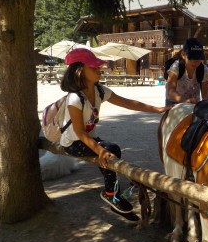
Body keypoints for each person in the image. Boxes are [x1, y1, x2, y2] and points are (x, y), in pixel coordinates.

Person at [60, 48, 170, 223]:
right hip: (72, 142)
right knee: (109, 149)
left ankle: (114, 193)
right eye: (94, 68)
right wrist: (100, 150)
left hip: (87, 139)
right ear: (80, 71)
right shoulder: (74, 98)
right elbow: (79, 132)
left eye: (98, 67)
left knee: (110, 150)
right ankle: (111, 194)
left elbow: (127, 103)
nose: (99, 70)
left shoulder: (99, 91)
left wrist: (156, 110)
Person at [165, 38, 208, 105]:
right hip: (174, 102)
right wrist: (185, 101)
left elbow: (206, 97)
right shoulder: (176, 67)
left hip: (194, 104)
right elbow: (170, 92)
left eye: (199, 59)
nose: (196, 62)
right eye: (192, 58)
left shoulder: (204, 70)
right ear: (183, 55)